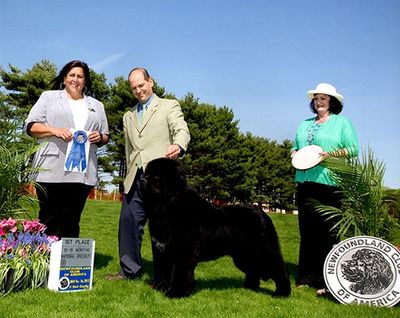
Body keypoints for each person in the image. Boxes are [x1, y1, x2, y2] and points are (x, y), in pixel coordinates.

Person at [107, 67, 190, 280]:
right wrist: (126, 178)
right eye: (134, 88)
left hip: (161, 179)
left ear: (150, 81)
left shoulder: (169, 106)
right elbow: (129, 150)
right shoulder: (128, 116)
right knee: (128, 223)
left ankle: (164, 274)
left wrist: (179, 145)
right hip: (135, 178)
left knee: (163, 227)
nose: (138, 91)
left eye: (141, 85)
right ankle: (129, 271)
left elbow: (181, 129)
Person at [24, 60, 109, 238]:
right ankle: (45, 261)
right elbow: (30, 126)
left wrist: (99, 137)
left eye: (80, 76)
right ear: (64, 77)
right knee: (49, 219)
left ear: (85, 81)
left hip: (82, 172)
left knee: (72, 219)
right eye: (72, 75)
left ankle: (68, 265)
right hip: (50, 168)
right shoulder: (48, 97)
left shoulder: (97, 105)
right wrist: (54, 130)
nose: (75, 80)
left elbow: (105, 135)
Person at [291, 83, 359, 294]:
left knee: (327, 233)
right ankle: (305, 277)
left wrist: (331, 155)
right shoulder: (304, 124)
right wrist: (293, 153)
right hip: (305, 182)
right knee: (307, 231)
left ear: (332, 102)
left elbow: (353, 149)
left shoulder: (341, 123)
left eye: (323, 98)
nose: (319, 102)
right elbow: (295, 146)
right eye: (316, 98)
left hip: (329, 184)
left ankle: (326, 280)